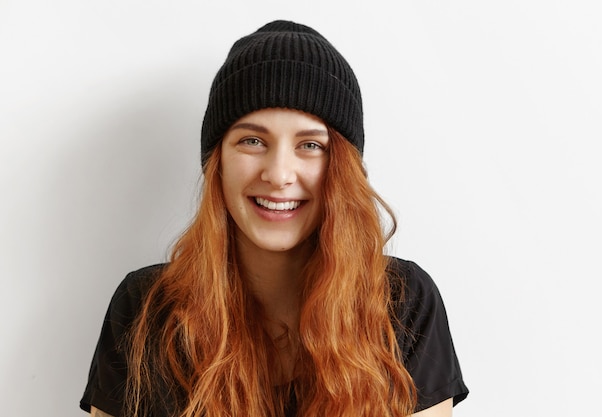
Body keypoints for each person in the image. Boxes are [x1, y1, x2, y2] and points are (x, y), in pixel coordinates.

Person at [80, 20, 469, 417]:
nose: (279, 173)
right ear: (217, 163)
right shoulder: (144, 307)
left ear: (344, 170)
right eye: (252, 141)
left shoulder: (404, 303)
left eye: (311, 145)